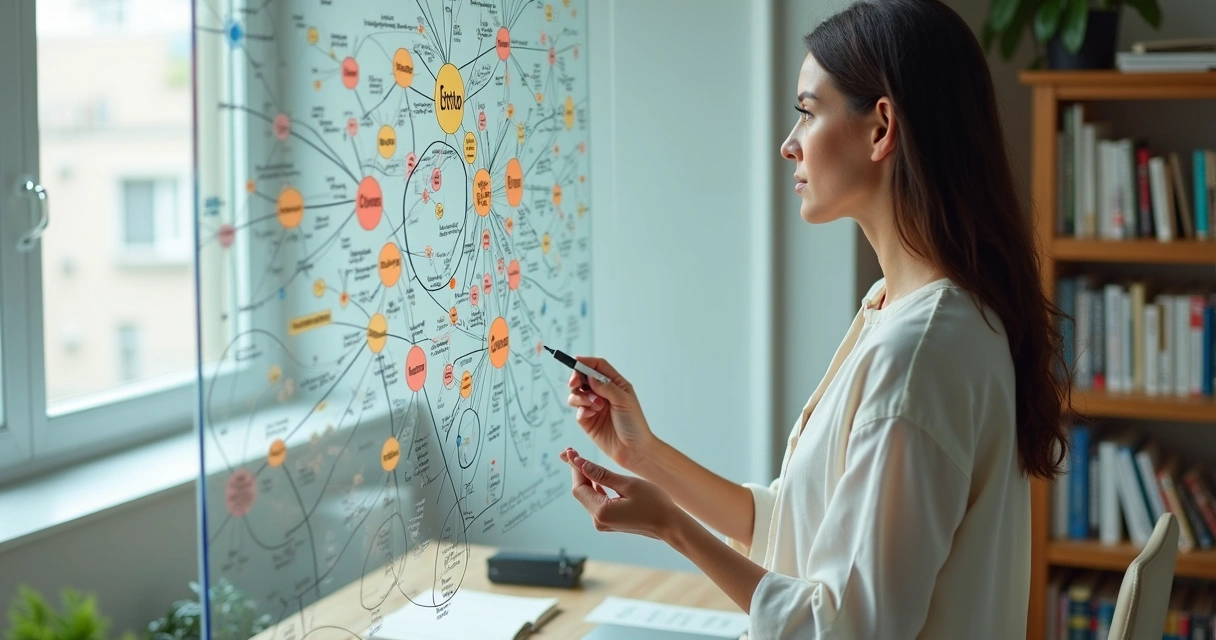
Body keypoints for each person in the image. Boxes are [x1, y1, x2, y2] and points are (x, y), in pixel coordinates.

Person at [557, 0, 1074, 637]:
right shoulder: (904, 308)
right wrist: (648, 456)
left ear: (882, 127)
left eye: (806, 111)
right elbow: (794, 524)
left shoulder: (918, 355)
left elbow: (847, 628)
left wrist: (671, 526)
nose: (788, 144)